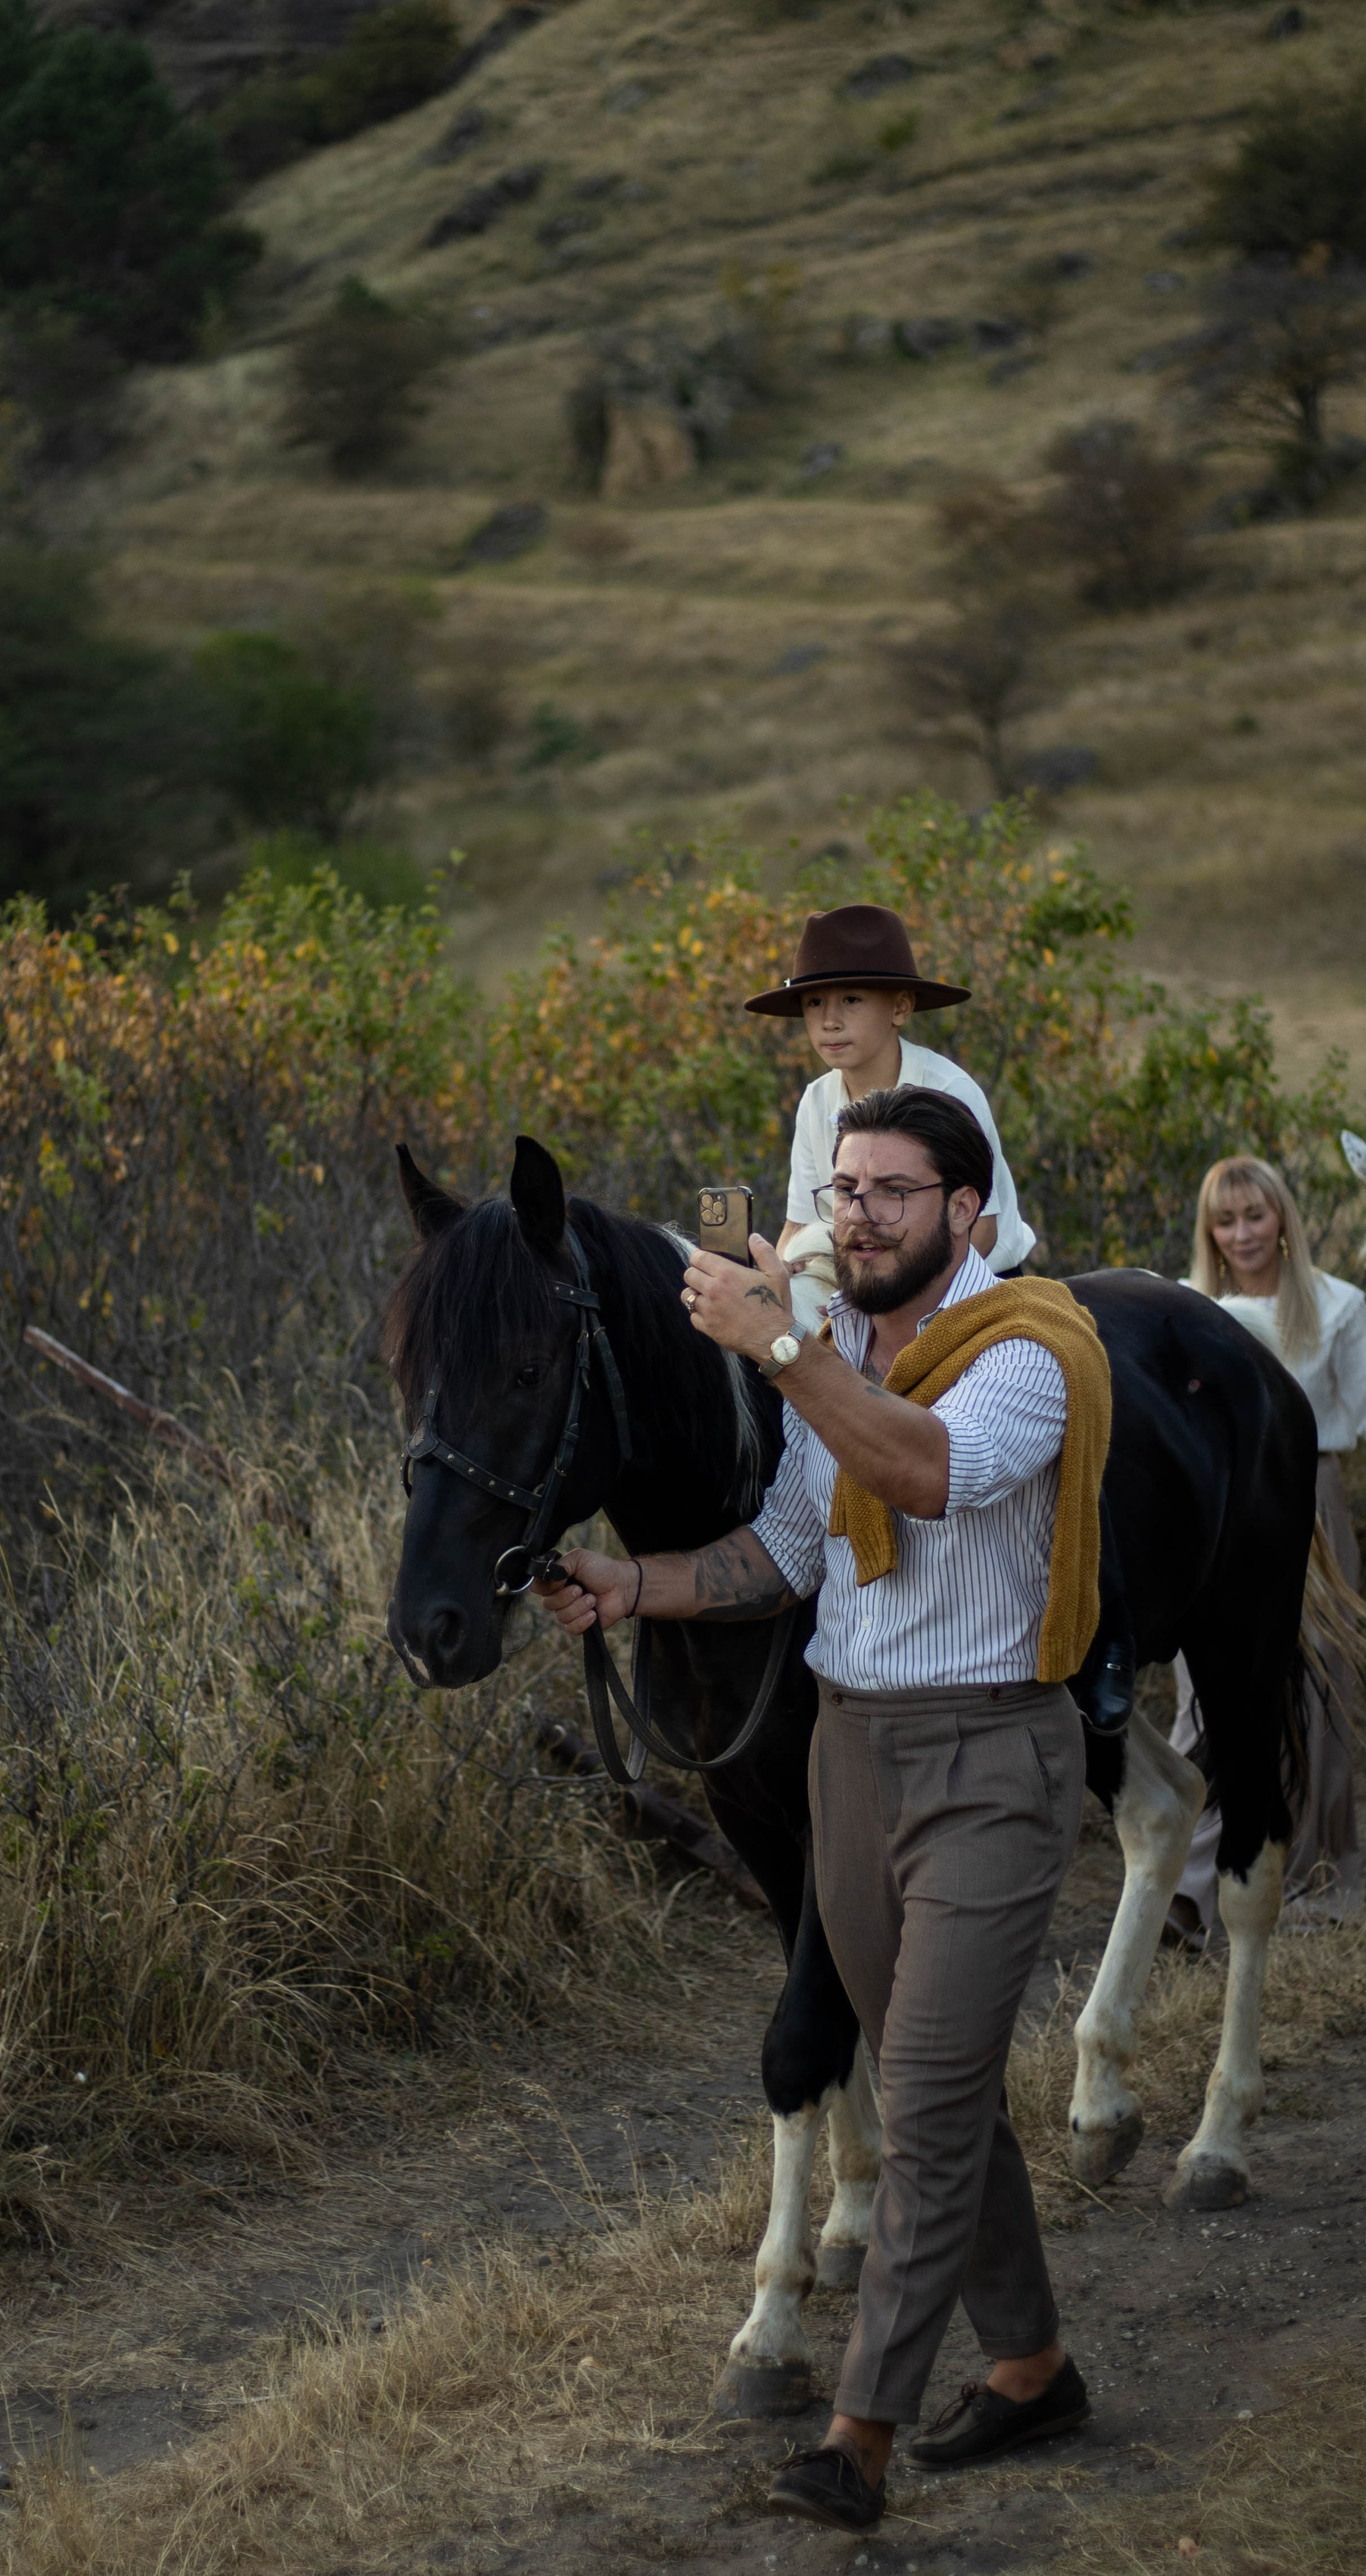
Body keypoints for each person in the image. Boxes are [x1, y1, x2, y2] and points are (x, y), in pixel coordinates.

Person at [538, 1086, 1109, 2536]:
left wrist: (779, 1349)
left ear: (965, 1211)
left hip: (992, 1758)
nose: (858, 1214)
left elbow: (922, 1470)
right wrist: (634, 1585)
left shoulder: (1032, 1347)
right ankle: (1032, 2366)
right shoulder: (840, 1347)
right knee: (940, 2086)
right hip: (851, 1756)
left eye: (893, 1192)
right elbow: (792, 1544)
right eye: (844, 1188)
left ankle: (857, 2435)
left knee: (923, 2097)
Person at [1168, 1155, 1366, 1939]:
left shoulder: (1339, 1305)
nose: (1243, 1233)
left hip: (1309, 1498)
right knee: (1210, 1687)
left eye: (1256, 1214)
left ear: (1282, 1217)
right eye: (1226, 1220)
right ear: (1209, 1230)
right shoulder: (1187, 1307)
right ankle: (1189, 1885)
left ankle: (1311, 1870)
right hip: (1216, 1504)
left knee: (1318, 1681)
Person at [745, 904, 1036, 1332]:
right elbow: (801, 1223)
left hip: (967, 1292)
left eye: (851, 1000)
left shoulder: (948, 1090)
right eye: (814, 1002)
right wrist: (783, 1279)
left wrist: (887, 1309)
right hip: (863, 1293)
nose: (829, 1021)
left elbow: (982, 1230)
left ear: (900, 1008)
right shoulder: (815, 1099)